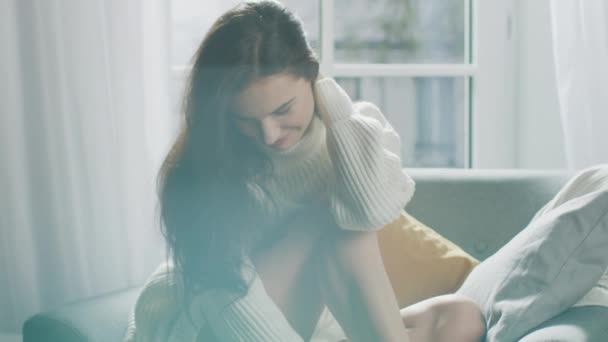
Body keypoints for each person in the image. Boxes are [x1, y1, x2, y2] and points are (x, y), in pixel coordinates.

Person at [125, 1, 485, 341]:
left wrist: (334, 110)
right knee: (333, 221)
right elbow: (226, 296)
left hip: (309, 322)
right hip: (214, 324)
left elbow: (370, 212)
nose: (268, 134)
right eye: (245, 120)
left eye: (283, 109)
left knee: (461, 316)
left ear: (312, 75)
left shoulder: (356, 128)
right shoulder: (203, 173)